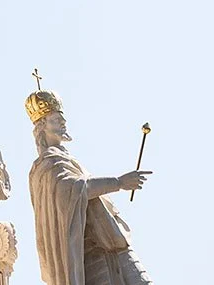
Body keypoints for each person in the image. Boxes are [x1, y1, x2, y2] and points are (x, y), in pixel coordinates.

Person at [25, 88, 154, 285]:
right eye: (56, 119)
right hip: (92, 257)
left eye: (62, 118)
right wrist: (119, 183)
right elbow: (73, 189)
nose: (63, 122)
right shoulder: (48, 165)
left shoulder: (68, 160)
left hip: (116, 247)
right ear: (42, 126)